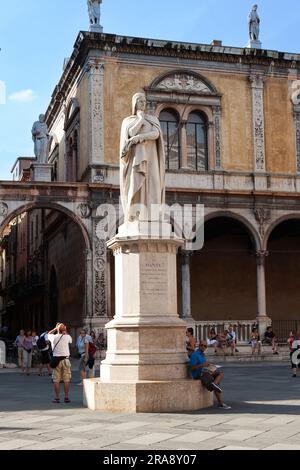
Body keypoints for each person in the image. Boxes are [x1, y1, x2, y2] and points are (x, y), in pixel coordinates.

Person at [120, 92, 165, 222]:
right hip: (136, 158)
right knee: (136, 183)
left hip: (152, 158)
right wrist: (140, 119)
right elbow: (131, 132)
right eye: (140, 101)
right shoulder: (128, 121)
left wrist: (141, 137)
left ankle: (153, 216)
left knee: (154, 183)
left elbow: (156, 134)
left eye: (145, 102)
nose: (143, 104)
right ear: (134, 103)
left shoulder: (153, 119)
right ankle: (136, 215)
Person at [190, 341, 231, 410]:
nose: (203, 347)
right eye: (202, 345)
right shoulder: (195, 354)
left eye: (205, 346)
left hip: (205, 372)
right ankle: (220, 402)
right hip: (199, 375)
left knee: (220, 373)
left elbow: (204, 365)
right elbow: (192, 368)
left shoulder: (202, 354)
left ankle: (214, 384)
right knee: (215, 381)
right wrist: (202, 365)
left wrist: (209, 366)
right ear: (199, 345)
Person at [47, 323, 72, 404]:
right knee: (66, 380)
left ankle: (57, 398)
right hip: (66, 360)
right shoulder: (67, 336)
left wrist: (55, 328)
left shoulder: (53, 337)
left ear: (57, 330)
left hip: (56, 360)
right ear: (64, 330)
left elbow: (48, 334)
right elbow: (70, 341)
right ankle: (66, 397)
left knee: (56, 380)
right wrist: (65, 330)